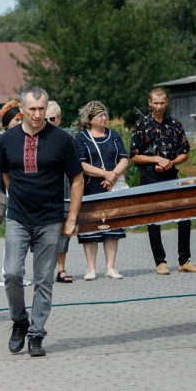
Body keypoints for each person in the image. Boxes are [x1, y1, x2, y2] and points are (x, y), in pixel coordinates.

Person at [0, 86, 84, 357]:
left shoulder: (61, 140)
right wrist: (18, 200)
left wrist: (71, 219)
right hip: (19, 217)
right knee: (12, 273)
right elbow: (7, 175)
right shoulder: (4, 140)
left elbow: (77, 179)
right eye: (32, 109)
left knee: (44, 280)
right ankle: (20, 321)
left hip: (50, 219)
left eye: (42, 109)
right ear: (21, 109)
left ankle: (37, 334)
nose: (37, 114)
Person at [130, 87, 196, 275]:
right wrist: (156, 159)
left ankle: (184, 261)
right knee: (153, 218)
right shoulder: (141, 125)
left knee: (184, 214)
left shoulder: (176, 124)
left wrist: (170, 162)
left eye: (162, 103)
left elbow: (185, 153)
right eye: (156, 103)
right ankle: (160, 262)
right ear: (149, 103)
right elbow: (134, 156)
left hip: (171, 174)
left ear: (167, 102)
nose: (159, 106)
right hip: (149, 175)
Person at [74, 100, 129, 280]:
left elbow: (124, 159)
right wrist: (105, 174)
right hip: (91, 187)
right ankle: (91, 269)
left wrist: (113, 175)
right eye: (100, 115)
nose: (104, 118)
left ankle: (110, 267)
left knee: (112, 227)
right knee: (91, 228)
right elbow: (81, 164)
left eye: (105, 114)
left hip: (113, 186)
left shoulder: (114, 135)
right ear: (90, 119)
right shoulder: (81, 138)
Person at [0, 100, 32, 288]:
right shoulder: (1, 140)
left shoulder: (22, 138)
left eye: (20, 121)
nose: (19, 125)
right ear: (8, 123)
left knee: (20, 235)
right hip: (9, 191)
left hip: (21, 191)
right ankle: (6, 274)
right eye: (15, 122)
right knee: (14, 234)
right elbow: (4, 168)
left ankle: (15, 273)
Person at [47, 102, 74, 283]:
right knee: (43, 230)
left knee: (64, 229)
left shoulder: (66, 138)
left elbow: (74, 168)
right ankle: (45, 270)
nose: (48, 122)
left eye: (52, 118)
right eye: (45, 118)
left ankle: (61, 269)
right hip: (43, 189)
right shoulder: (35, 138)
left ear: (59, 119)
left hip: (63, 187)